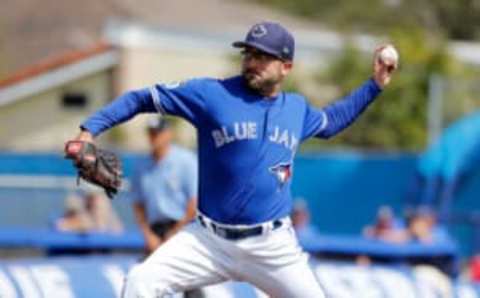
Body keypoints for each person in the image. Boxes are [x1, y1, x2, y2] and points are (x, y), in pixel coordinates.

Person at [66, 21, 396, 297]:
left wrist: (375, 85)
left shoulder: (296, 109)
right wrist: (89, 130)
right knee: (140, 283)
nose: (252, 61)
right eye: (248, 53)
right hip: (208, 240)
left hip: (273, 246)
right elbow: (142, 98)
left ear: (286, 66)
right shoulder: (211, 94)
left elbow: (333, 120)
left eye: (263, 56)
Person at [131, 117, 198, 254]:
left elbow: (194, 203)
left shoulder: (185, 161)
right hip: (154, 232)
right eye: (151, 133)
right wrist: (148, 235)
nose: (154, 137)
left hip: (183, 230)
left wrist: (174, 233)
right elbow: (138, 204)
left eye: (158, 133)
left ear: (168, 134)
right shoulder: (141, 165)